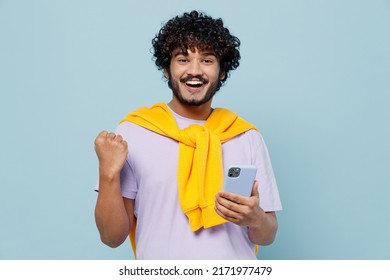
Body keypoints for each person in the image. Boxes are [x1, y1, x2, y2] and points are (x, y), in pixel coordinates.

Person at [94, 10, 282, 260]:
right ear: (166, 69)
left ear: (222, 71)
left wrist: (255, 218)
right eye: (183, 59)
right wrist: (108, 173)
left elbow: (267, 235)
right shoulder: (134, 133)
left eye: (207, 60)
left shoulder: (245, 136)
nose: (195, 70)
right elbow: (111, 237)